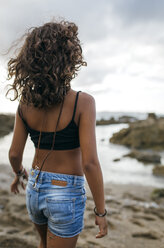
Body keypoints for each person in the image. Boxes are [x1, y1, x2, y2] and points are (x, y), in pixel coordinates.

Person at [6, 18, 108, 248]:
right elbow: (90, 163)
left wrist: (19, 174)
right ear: (70, 59)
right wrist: (100, 212)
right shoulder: (83, 103)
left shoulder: (25, 104)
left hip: (34, 188)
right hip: (65, 194)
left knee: (43, 244)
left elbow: (14, 154)